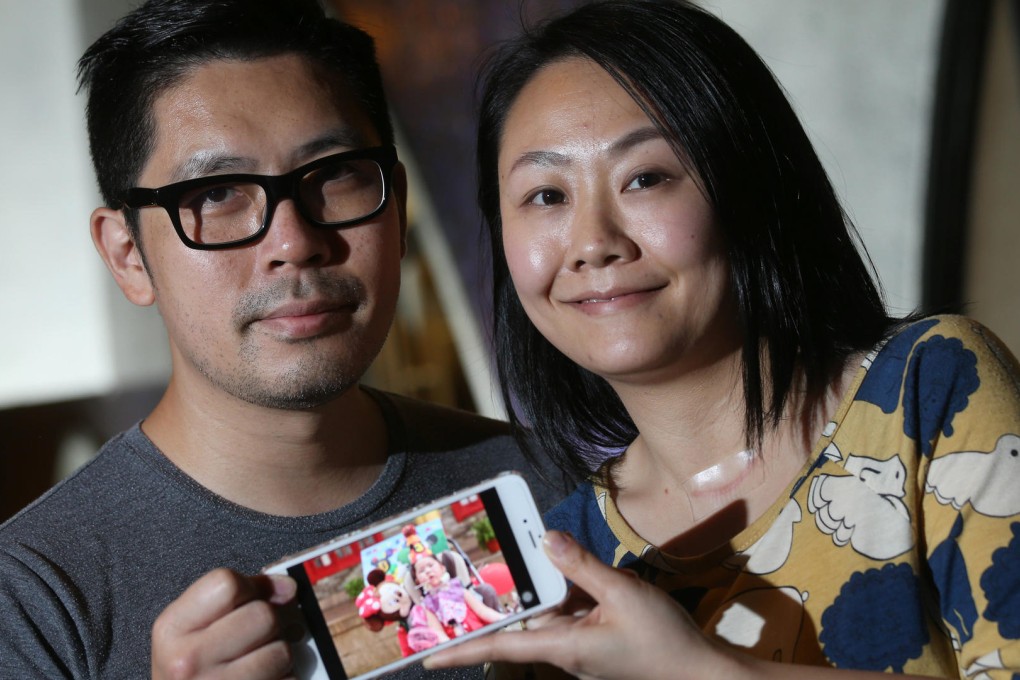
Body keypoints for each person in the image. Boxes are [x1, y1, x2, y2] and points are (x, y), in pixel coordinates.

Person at [425, 0, 1020, 678]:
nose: (593, 242)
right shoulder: (564, 564)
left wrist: (703, 669)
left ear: (749, 186)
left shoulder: (930, 389)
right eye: (546, 196)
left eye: (645, 178)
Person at [0, 1, 568, 678]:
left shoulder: (550, 490)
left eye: (334, 176)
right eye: (216, 194)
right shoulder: (33, 602)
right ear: (128, 255)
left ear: (397, 204)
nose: (295, 242)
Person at [413, 552, 507, 638]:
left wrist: (503, 618)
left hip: (480, 633)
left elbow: (482, 611)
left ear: (442, 568)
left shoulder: (459, 590)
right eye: (421, 571)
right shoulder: (427, 606)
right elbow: (438, 632)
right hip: (457, 644)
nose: (427, 571)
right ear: (418, 581)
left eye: (430, 565)